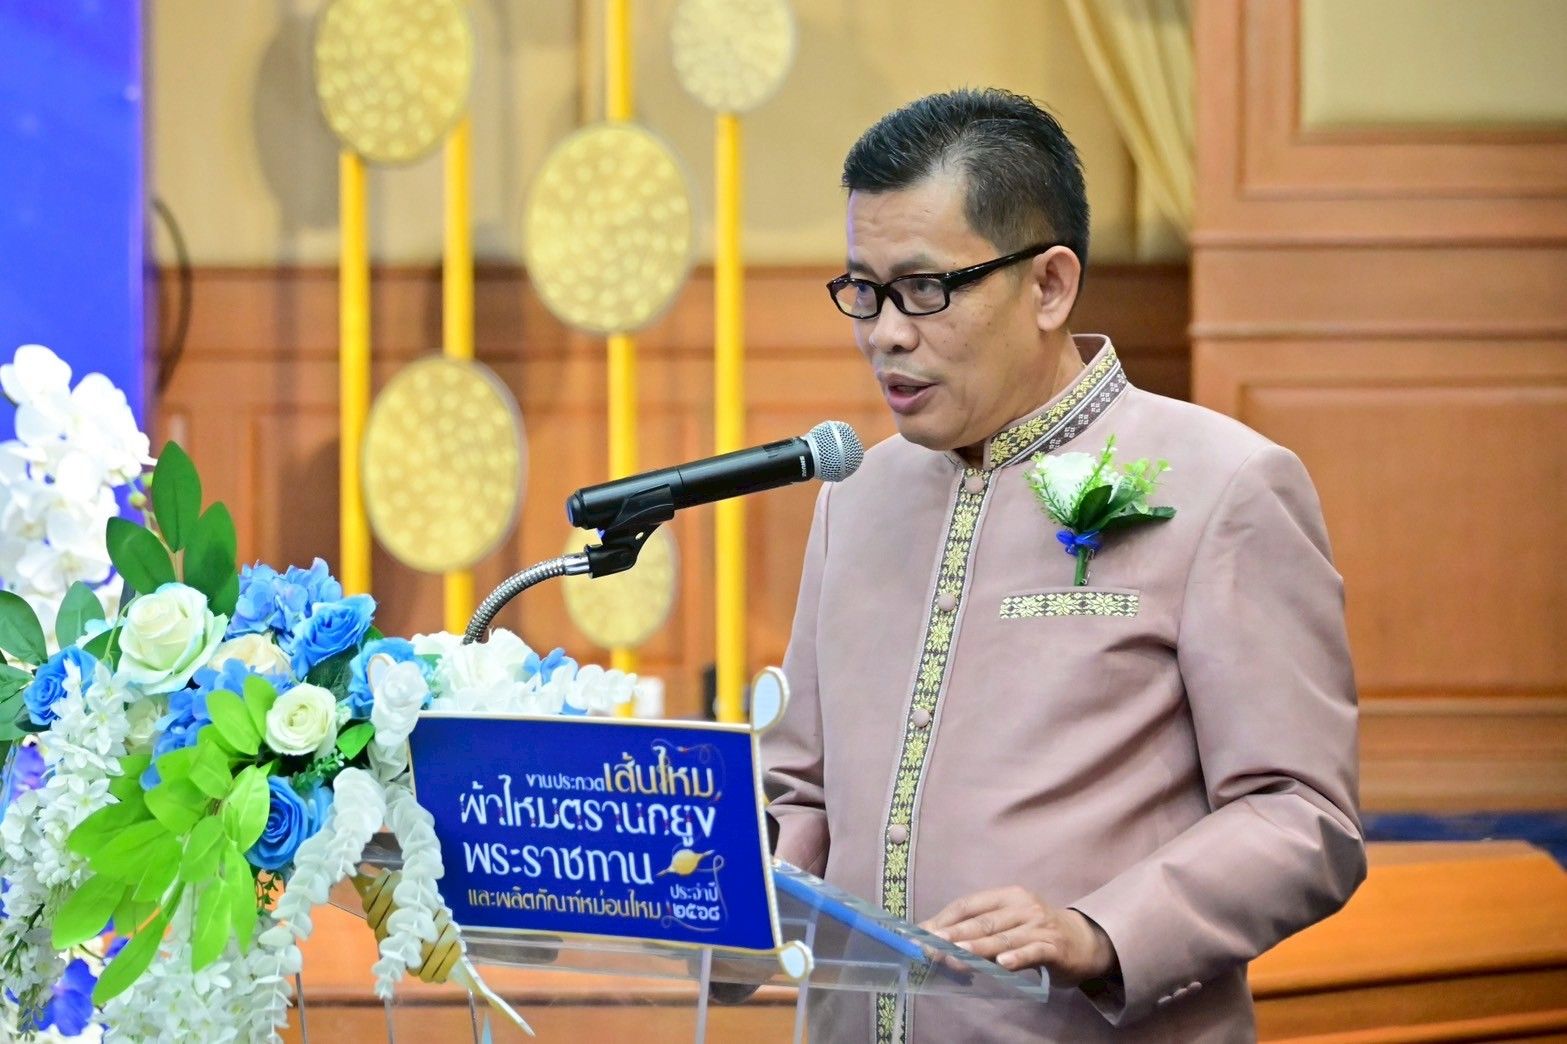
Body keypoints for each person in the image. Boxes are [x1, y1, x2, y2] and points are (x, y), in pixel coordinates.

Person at [762, 88, 1365, 1043]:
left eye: (924, 289)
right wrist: (715, 886)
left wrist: (1099, 930)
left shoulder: (1225, 484)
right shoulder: (857, 496)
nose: (884, 331)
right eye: (862, 290)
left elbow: (1302, 818)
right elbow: (800, 794)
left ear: (1048, 284)